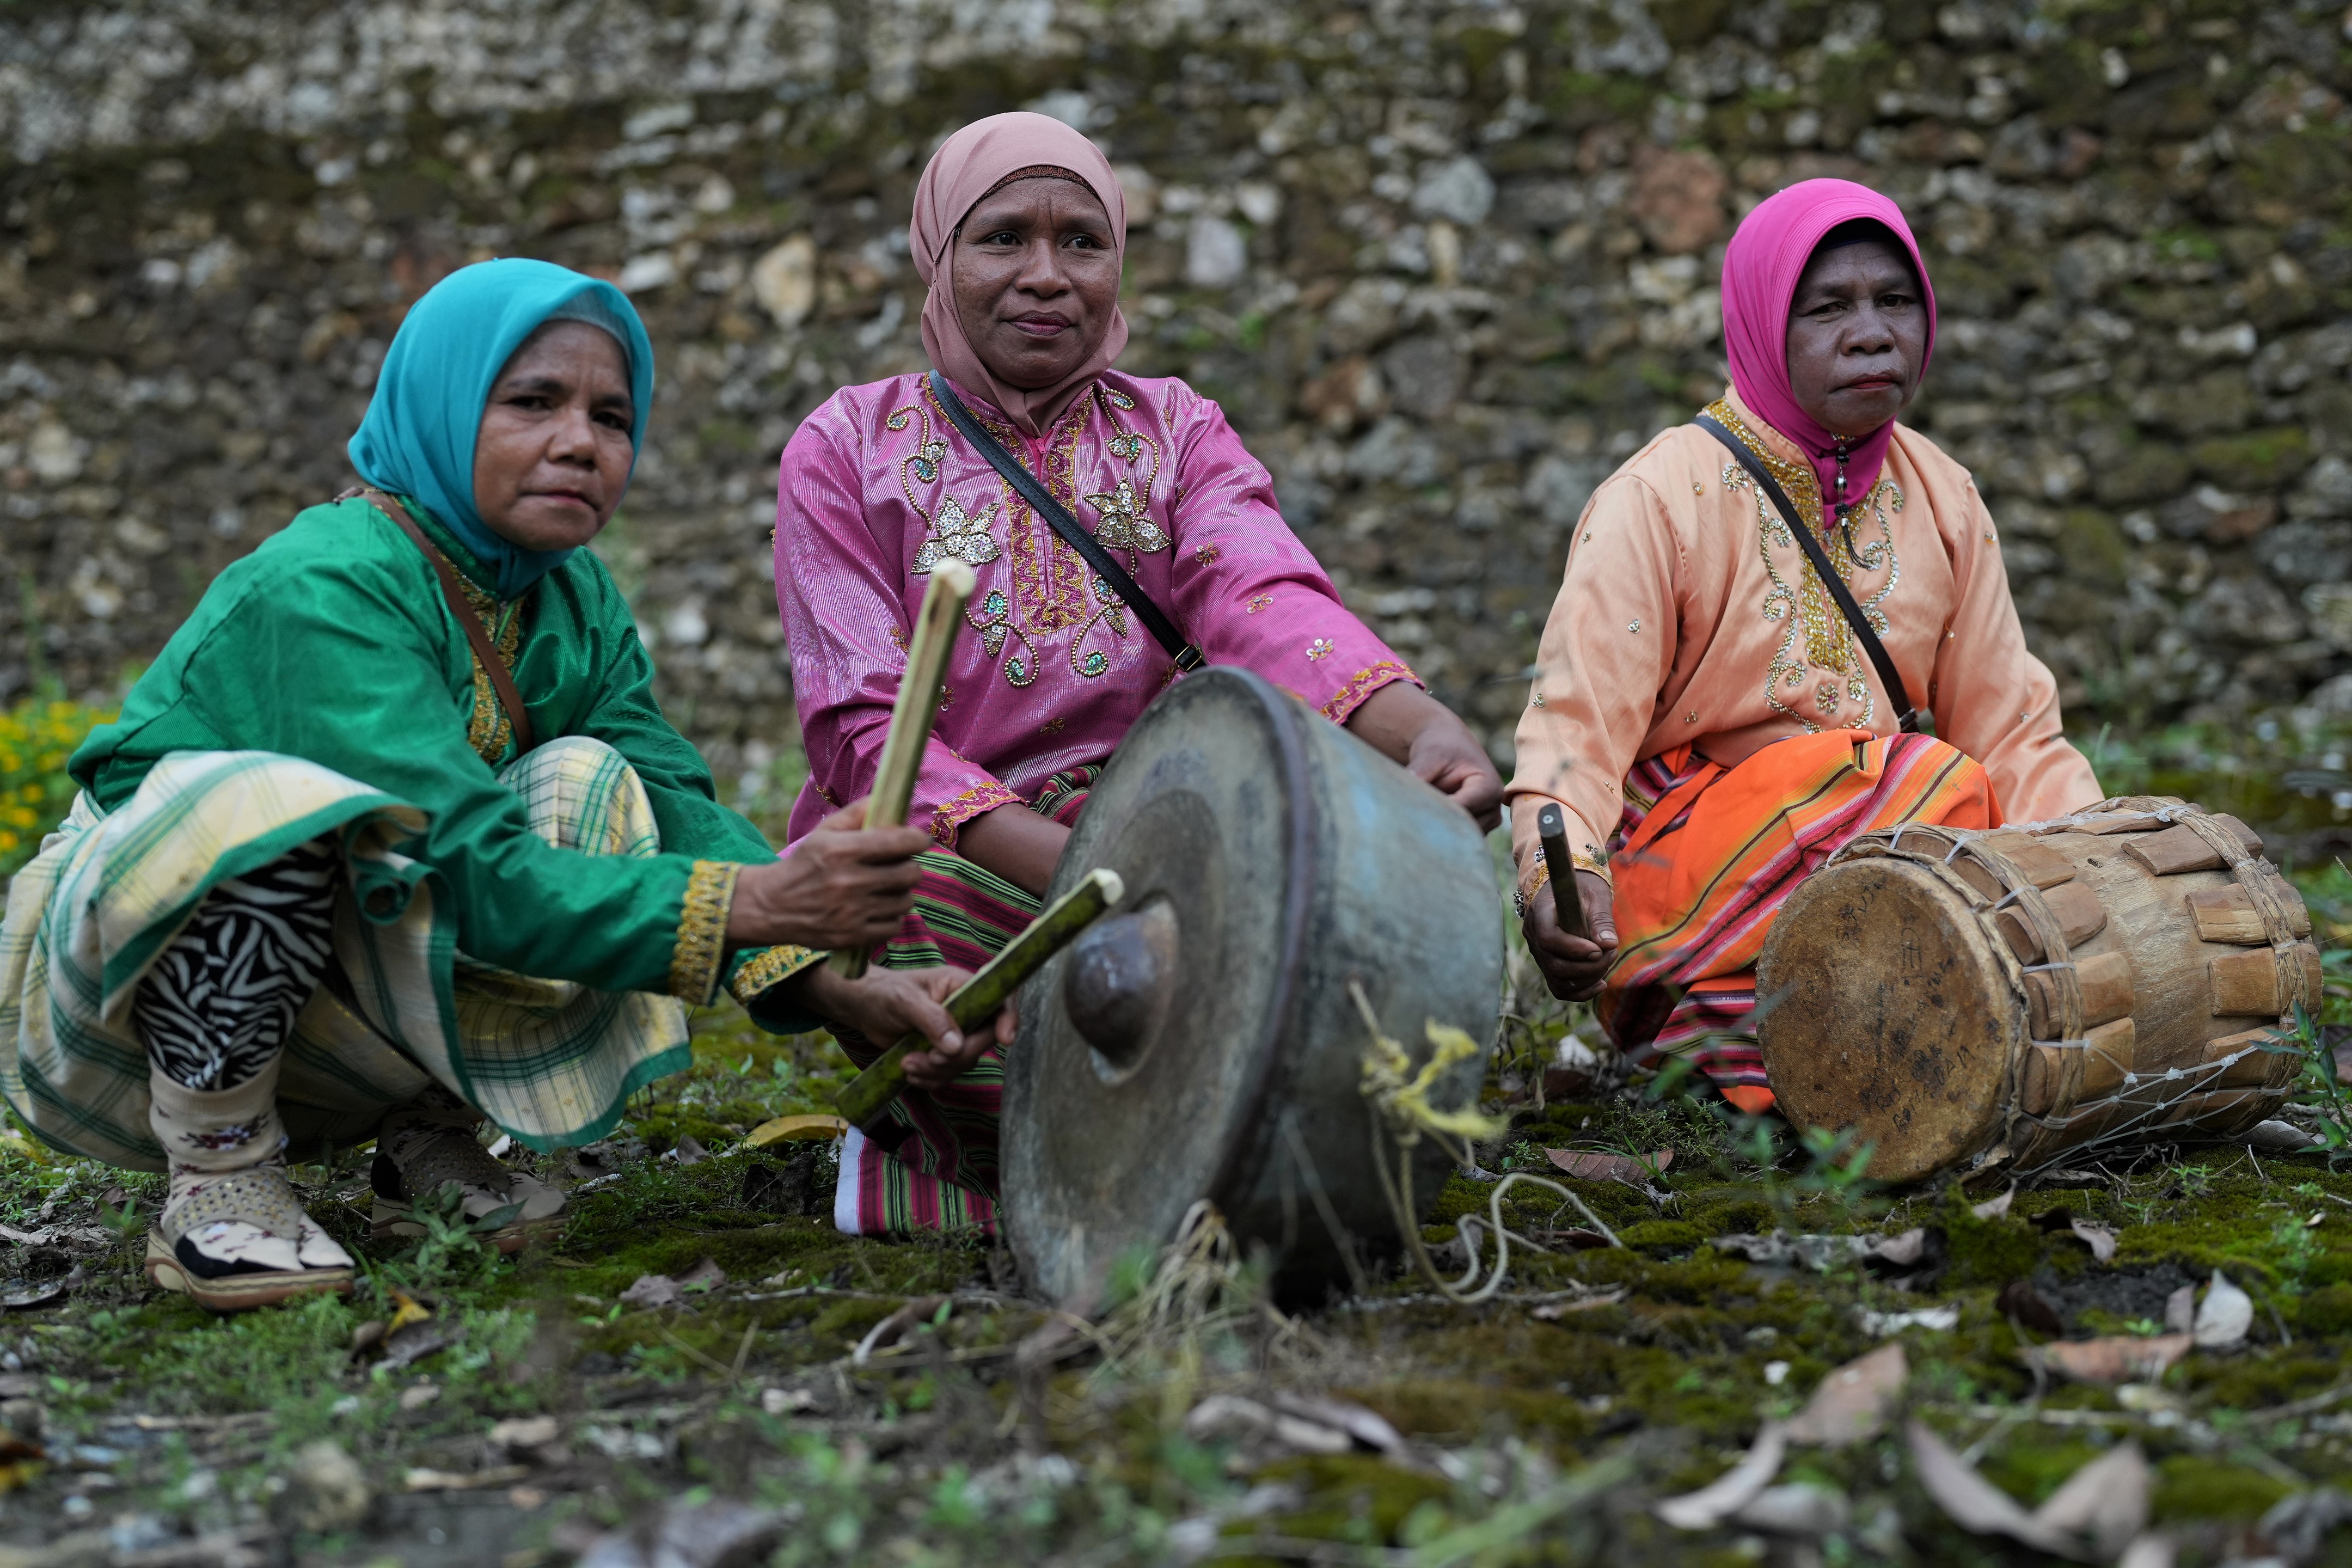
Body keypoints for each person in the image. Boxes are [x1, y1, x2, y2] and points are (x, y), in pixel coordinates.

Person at [0, 259, 1000, 1312]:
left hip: (340, 1004)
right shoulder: (326, 583)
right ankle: (221, 1177)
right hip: (117, 1007)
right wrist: (762, 900)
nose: (581, 441)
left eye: (612, 417)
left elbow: (670, 802)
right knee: (269, 810)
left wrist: (833, 982)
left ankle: (421, 1143)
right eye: (532, 402)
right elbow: (468, 865)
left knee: (590, 782)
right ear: (439, 402)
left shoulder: (568, 597)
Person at [774, 112, 1504, 1237]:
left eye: (1083, 242)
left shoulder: (1177, 431)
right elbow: (865, 731)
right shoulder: (846, 450)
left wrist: (1421, 729)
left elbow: (1261, 598)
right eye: (1002, 238)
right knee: (884, 919)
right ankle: (962, 1165)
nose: (1045, 276)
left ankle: (1166, 1176)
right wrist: (1093, 874)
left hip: (1162, 818)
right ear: (938, 254)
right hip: (960, 858)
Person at [1509, 179, 2102, 1113]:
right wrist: (1561, 884)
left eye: (1895, 302)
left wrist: (2096, 868)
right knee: (1930, 787)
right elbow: (1575, 726)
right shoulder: (1660, 500)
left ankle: (1843, 1064)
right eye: (1828, 308)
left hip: (1888, 866)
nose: (1872, 334)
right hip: (1689, 888)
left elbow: (2015, 727)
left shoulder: (1944, 497)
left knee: (1955, 806)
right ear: (1759, 327)